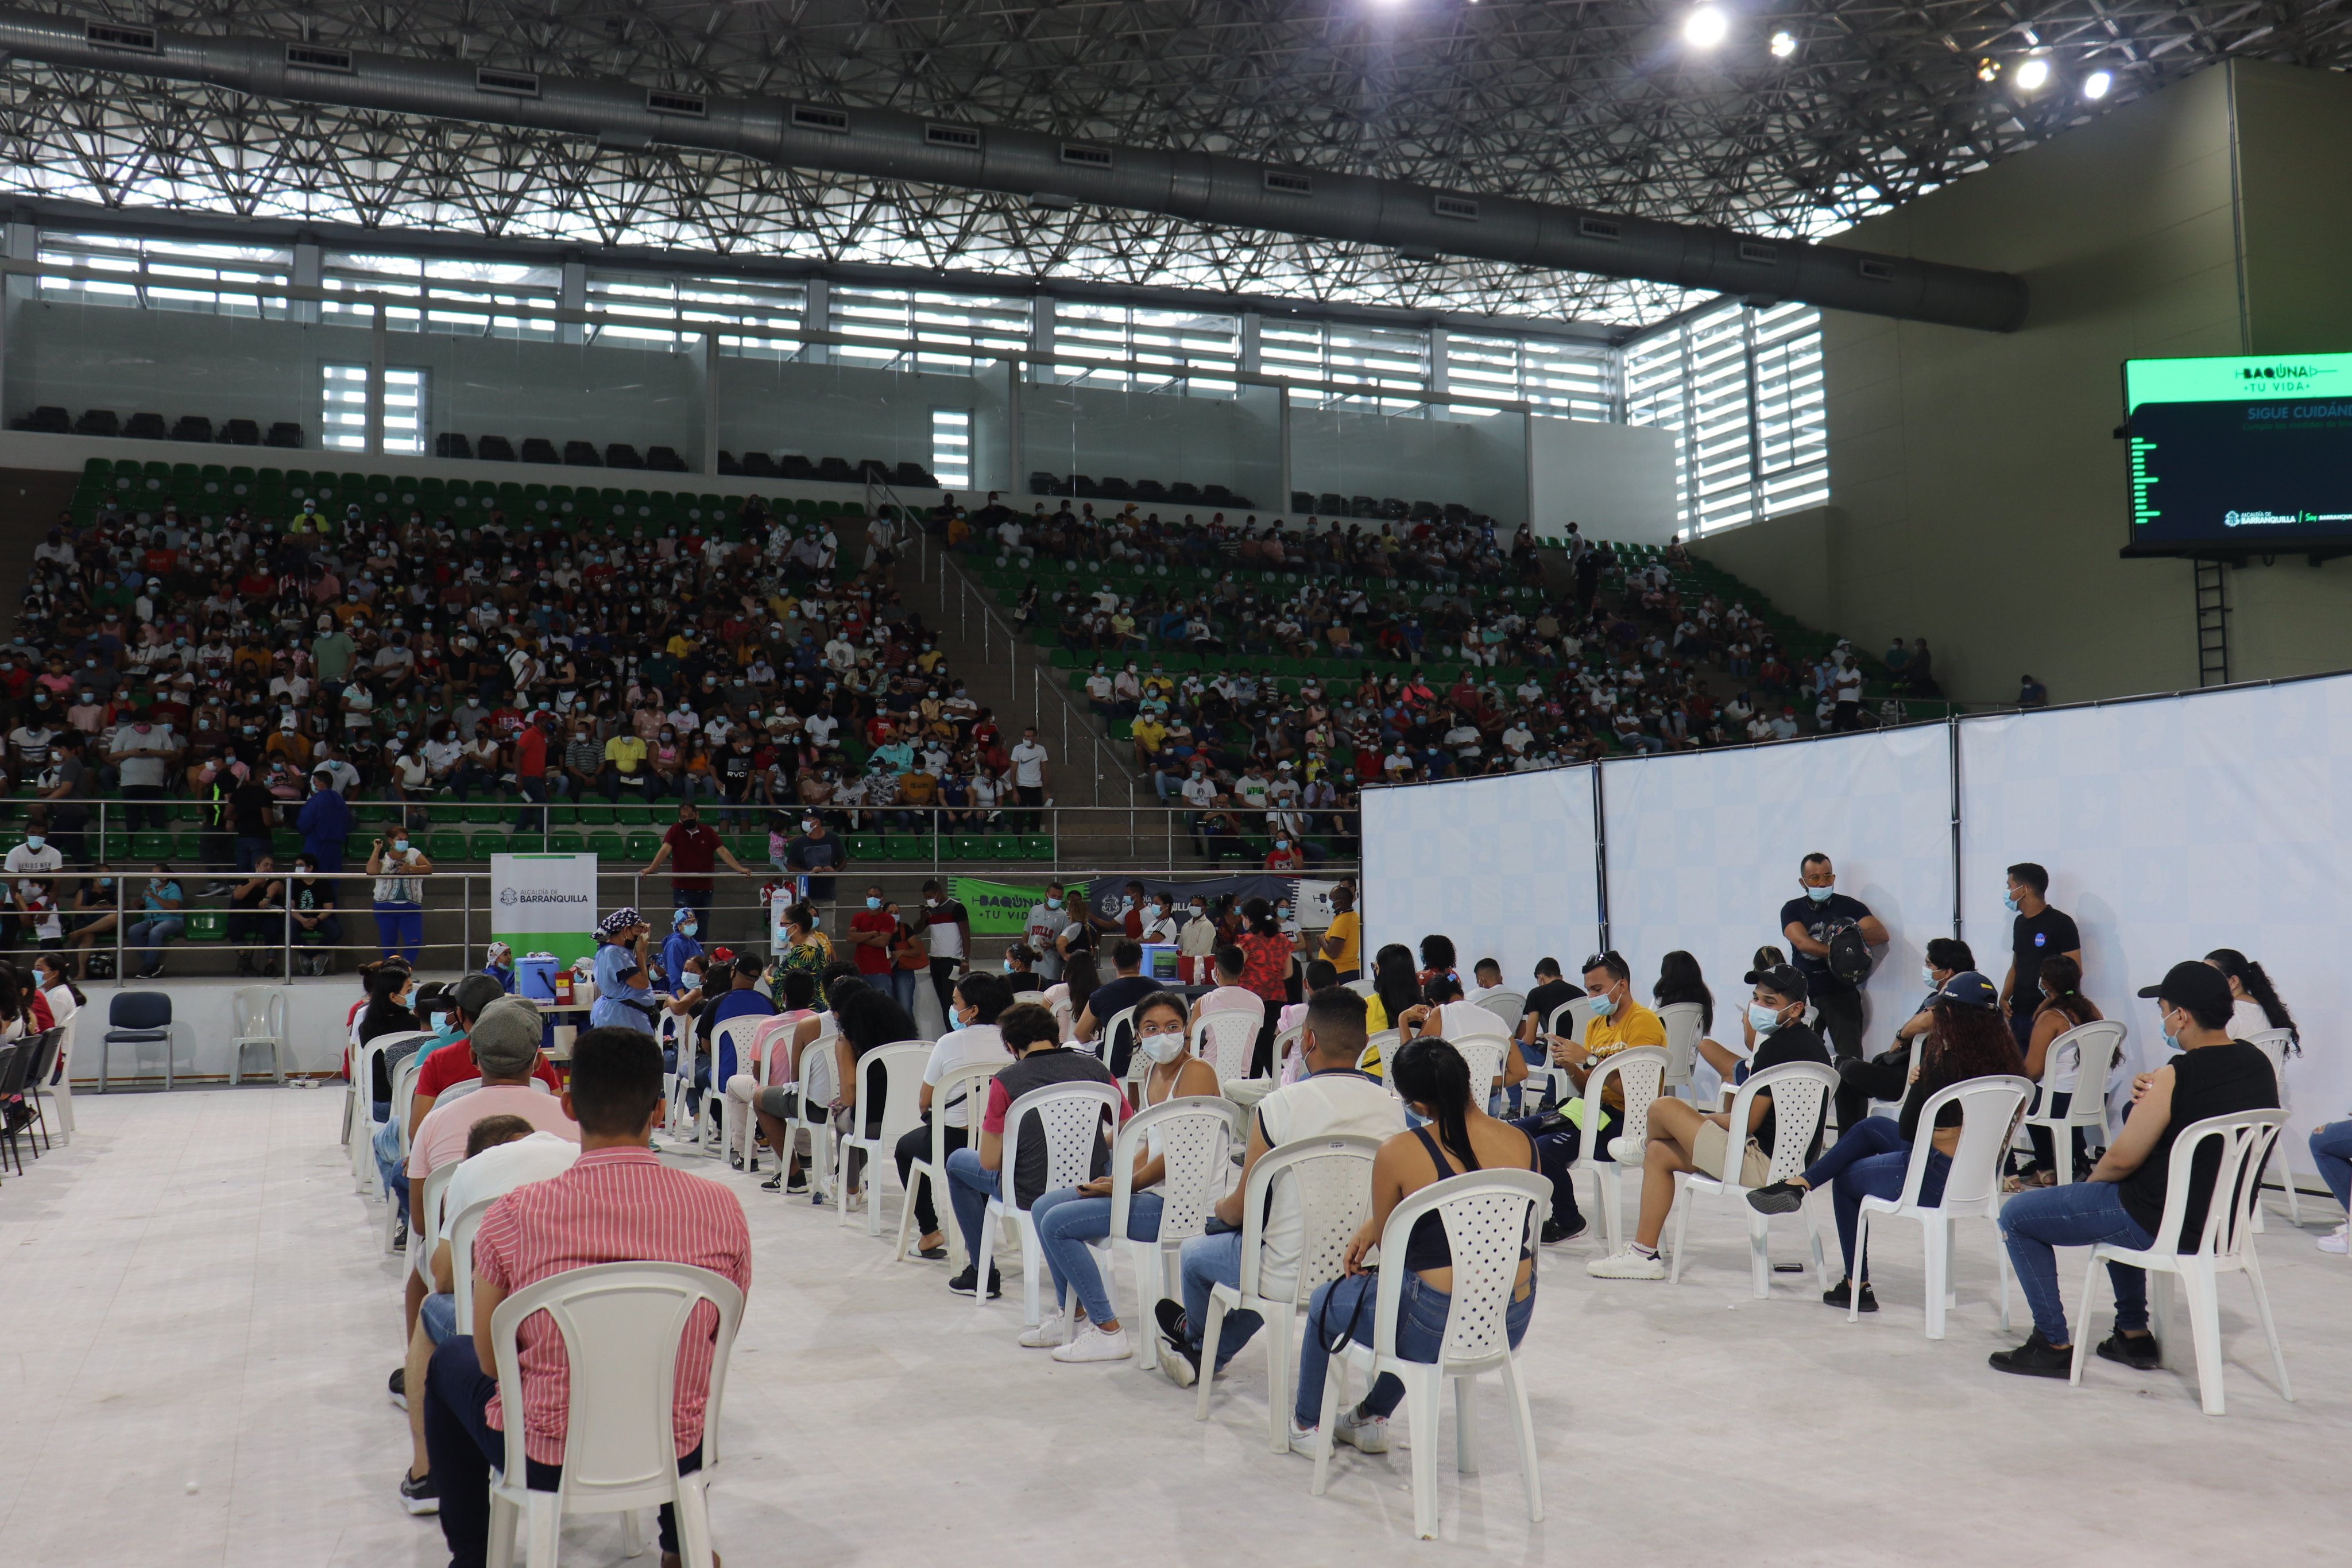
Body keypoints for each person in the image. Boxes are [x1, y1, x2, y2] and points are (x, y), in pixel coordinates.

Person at [422, 1024, 751, 1568]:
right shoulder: (721, 1209)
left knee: (449, 1361)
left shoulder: (514, 1214)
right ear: (661, 1110)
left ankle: (473, 1558)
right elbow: (720, 1332)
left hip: (545, 1455)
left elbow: (489, 1360)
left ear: (569, 1106)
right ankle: (678, 1543)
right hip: (678, 1448)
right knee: (678, 1363)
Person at [1990, 961, 2278, 1378]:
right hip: (2221, 1225)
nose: (2162, 1020)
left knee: (2017, 1215)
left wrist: (2089, 1186)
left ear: (2182, 1016)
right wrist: (2154, 1088)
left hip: (2158, 1221)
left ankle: (2051, 1343)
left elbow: (2122, 1158)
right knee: (2122, 1198)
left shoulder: (2179, 1073)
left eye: (2163, 1009)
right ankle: (2132, 1333)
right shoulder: (2256, 1063)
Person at [1288, 1036, 1539, 1453]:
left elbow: (1395, 1246)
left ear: (1418, 1105)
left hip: (1434, 1322)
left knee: (1326, 1302)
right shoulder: (1522, 1143)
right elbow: (1474, 1208)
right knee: (1403, 1304)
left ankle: (1307, 1424)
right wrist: (1377, 1223)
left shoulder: (1400, 1151)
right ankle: (1369, 1415)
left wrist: (1376, 1226)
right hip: (1508, 1316)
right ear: (1466, 1077)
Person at [1156, 986, 1405, 1385]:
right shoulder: (1392, 1108)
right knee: (1263, 1257)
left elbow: (1242, 1208)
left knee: (1196, 1252)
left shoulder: (1279, 1104)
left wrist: (1219, 1210)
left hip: (1286, 1268)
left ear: (1307, 1039)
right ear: (1364, 1043)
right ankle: (1202, 1349)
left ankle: (1199, 1345)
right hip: (1358, 1268)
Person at [1746, 972, 2026, 1310]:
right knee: (1871, 1127)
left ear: (1950, 1015)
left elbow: (1910, 1130)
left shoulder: (1943, 1062)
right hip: (1977, 1176)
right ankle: (1801, 1183)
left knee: (1846, 1181)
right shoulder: (2008, 1067)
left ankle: (1856, 1285)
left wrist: (1919, 1082)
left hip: (1933, 1175)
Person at [1587, 963, 1831, 1279]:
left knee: (1663, 1108)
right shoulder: (1812, 1045)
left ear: (1796, 1009)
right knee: (1660, 1154)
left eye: (1769, 1003)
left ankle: (1644, 1142)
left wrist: (1703, 1120)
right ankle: (1643, 1254)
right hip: (1794, 1165)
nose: (1757, 1008)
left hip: (1760, 1163)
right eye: (1755, 999)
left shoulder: (1777, 1048)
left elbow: (1748, 1123)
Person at [394, 1113, 579, 1516]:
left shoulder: (473, 1172)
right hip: (590, 1339)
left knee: (433, 1313)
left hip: (531, 1417)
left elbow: (444, 1277)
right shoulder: (577, 1157)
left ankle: (427, 1473)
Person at [1023, 991, 1221, 1362]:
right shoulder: (1151, 1072)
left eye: (1172, 1026)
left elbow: (1182, 1152)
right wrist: (1117, 1178)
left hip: (1183, 1204)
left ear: (1186, 1029)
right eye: (1152, 1027)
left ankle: (1108, 1330)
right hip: (1154, 1193)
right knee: (1043, 1205)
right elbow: (1151, 1142)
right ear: (1139, 1034)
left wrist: (1126, 1185)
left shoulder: (1196, 1072)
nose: (1163, 1034)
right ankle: (1073, 1315)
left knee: (1056, 1223)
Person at [940, 1000, 1124, 1297]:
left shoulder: (1006, 1081)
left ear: (1011, 1046)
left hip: (1030, 1189)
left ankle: (980, 1272)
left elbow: (989, 1161)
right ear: (1055, 1034)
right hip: (1092, 1182)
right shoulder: (1095, 1069)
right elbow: (1125, 1125)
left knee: (957, 1163)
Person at [891, 971, 1014, 1252]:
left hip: (952, 1143)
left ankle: (930, 1231)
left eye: (956, 1003)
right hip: (1001, 1144)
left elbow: (925, 1100)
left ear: (974, 1010)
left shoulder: (949, 1043)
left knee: (904, 1149)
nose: (953, 1009)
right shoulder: (1012, 1041)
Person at [1778, 853, 1889, 1063]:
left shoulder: (1849, 906)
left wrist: (1847, 938)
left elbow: (1880, 934)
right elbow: (1802, 942)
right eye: (1815, 878)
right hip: (1804, 997)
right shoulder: (1792, 909)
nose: (1822, 883)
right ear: (1803, 882)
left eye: (1828, 876)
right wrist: (1841, 948)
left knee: (1851, 1062)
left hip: (1842, 994)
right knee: (1804, 1061)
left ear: (1834, 878)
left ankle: (1853, 1097)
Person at [2011, 953, 2106, 1188]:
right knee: (2048, 1091)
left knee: (2025, 1092)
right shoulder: (2092, 1011)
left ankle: (2045, 1168)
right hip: (2093, 1097)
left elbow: (2032, 1071)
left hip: (2060, 1101)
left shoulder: (2052, 1018)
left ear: (2045, 984)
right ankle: (2077, 1162)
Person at [1998, 862, 2080, 1055]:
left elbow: (2074, 972)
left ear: (2023, 890)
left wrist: (2048, 1004)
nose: (2007, 892)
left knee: (2040, 1075)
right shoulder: (2019, 923)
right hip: (2019, 1013)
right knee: (2022, 1073)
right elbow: (2017, 965)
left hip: (2049, 1014)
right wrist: (2004, 998)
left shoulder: (2061, 923)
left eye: (2009, 886)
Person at [640, 800, 756, 926]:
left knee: (702, 929)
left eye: (690, 816)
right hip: (683, 889)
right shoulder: (675, 830)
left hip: (705, 889)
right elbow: (665, 850)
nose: (687, 819)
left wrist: (740, 869)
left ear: (697, 815)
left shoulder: (708, 831)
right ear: (680, 819)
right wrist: (651, 869)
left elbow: (723, 852)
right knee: (684, 929)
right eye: (684, 817)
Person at [1075, 939, 1160, 1072]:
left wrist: (1099, 1045)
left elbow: (1080, 1034)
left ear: (1114, 961)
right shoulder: (1159, 991)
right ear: (1139, 962)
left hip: (1115, 1064)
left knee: (1070, 1047)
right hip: (1154, 1060)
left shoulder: (1101, 995)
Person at [2204, 947, 2298, 1048]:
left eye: (2209, 976)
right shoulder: (2262, 1007)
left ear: (2233, 982)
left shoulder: (2231, 1012)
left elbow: (2207, 1051)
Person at [367, 827, 434, 965]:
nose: (404, 842)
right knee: (389, 942)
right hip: (385, 907)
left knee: (414, 941)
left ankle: (405, 970)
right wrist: (377, 849)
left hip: (411, 907)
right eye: (400, 840)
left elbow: (428, 868)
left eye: (406, 840)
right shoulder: (383, 857)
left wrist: (411, 868)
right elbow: (371, 871)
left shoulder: (413, 853)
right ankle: (392, 971)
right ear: (391, 841)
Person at [587, 907, 659, 1032]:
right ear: (626, 930)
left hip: (626, 1016)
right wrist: (641, 952)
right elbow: (641, 983)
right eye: (637, 932)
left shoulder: (610, 952)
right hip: (623, 1018)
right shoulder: (616, 954)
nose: (638, 937)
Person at [916, 878, 971, 1023]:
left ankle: (954, 1032)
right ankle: (949, 1033)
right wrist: (923, 918)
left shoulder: (956, 908)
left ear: (938, 893)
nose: (928, 901)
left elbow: (966, 934)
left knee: (951, 1002)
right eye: (926, 898)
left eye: (930, 897)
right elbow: (917, 930)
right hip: (935, 961)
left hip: (952, 961)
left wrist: (965, 959)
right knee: (942, 1001)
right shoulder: (930, 911)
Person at [125, 862, 185, 978]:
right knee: (133, 931)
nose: (153, 877)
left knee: (156, 932)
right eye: (152, 874)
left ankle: (147, 967)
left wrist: (154, 897)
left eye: (156, 874)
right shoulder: (150, 888)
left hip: (172, 920)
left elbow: (173, 907)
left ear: (164, 877)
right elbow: (143, 903)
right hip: (150, 919)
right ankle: (154, 966)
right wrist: (139, 903)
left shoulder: (173, 888)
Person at [781, 812, 849, 907]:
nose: (804, 822)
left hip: (828, 894)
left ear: (816, 821)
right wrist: (809, 873)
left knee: (827, 922)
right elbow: (790, 867)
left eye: (807, 819)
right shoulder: (799, 842)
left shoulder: (833, 839)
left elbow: (843, 861)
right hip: (806, 896)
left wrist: (835, 871)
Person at [1315, 882, 1361, 976]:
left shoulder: (1342, 921)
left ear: (1340, 903)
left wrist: (1321, 939)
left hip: (1340, 972)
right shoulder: (1353, 916)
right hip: (1347, 970)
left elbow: (1333, 953)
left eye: (1331, 898)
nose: (1329, 900)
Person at [657, 907, 704, 994]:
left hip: (696, 992)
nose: (693, 924)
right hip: (683, 994)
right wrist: (682, 1000)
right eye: (688, 922)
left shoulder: (693, 942)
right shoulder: (675, 944)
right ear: (679, 926)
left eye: (694, 921)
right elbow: (674, 974)